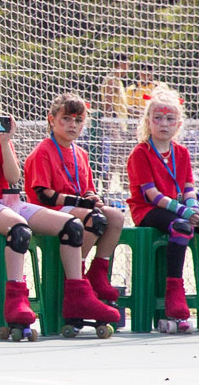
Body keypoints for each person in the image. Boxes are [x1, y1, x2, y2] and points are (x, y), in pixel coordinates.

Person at [0, 82, 118, 341]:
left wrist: (5, 142)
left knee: (72, 226)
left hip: (7, 202)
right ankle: (16, 299)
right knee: (19, 229)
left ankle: (77, 297)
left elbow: (13, 177)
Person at [125, 84, 199, 333]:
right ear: (148, 121)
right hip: (149, 210)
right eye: (158, 118)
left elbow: (189, 187)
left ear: (178, 123)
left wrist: (193, 207)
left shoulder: (181, 152)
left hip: (179, 208)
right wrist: (184, 212)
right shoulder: (140, 153)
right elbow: (151, 195)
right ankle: (174, 294)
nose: (164, 124)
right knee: (181, 227)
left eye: (170, 119)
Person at [23, 94, 127, 311]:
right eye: (66, 119)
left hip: (76, 208)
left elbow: (87, 188)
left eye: (78, 120)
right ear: (52, 120)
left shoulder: (81, 153)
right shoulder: (43, 151)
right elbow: (44, 195)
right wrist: (81, 202)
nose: (73, 124)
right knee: (95, 219)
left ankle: (97, 273)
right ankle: (76, 279)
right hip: (50, 211)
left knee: (116, 217)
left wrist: (92, 198)